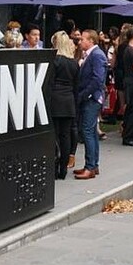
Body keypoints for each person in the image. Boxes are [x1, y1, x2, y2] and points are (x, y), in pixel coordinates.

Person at [74, 29, 107, 180]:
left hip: (92, 98)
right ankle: (93, 165)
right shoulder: (92, 55)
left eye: (83, 39)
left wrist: (84, 94)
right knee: (92, 131)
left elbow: (97, 79)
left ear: (91, 41)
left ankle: (90, 166)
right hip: (91, 97)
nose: (80, 42)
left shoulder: (97, 55)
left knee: (87, 130)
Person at [50, 32, 78, 180]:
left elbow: (50, 82)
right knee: (66, 136)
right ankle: (63, 168)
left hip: (55, 99)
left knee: (54, 135)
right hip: (68, 100)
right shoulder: (73, 63)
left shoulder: (55, 61)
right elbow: (76, 84)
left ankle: (54, 166)